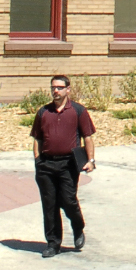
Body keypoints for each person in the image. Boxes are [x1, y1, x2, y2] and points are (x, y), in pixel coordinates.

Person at [29, 73, 95, 257]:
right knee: (49, 205)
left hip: (68, 164)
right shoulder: (43, 112)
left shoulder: (78, 111)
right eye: (53, 88)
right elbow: (37, 139)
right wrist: (37, 161)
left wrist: (91, 161)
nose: (55, 91)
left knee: (68, 200)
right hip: (46, 165)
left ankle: (78, 226)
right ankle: (53, 243)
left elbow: (87, 137)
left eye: (59, 87)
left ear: (68, 90)